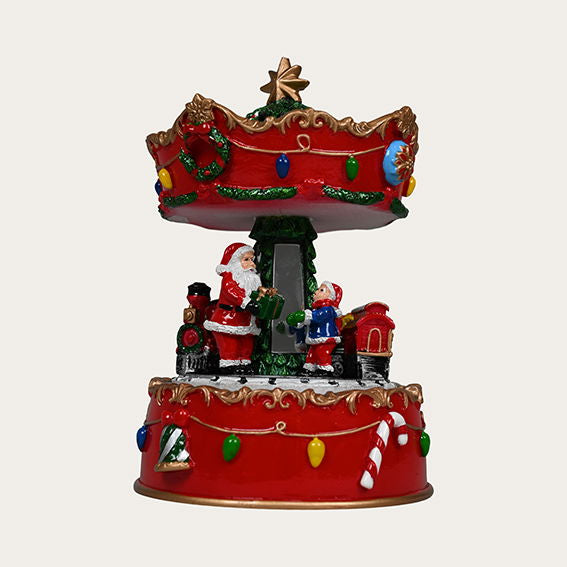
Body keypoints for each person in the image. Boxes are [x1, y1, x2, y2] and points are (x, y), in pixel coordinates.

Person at [203, 243, 263, 374]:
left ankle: (244, 363)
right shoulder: (230, 278)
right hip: (228, 319)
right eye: (246, 259)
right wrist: (247, 303)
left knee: (246, 344)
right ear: (234, 263)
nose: (251, 264)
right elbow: (232, 292)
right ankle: (229, 365)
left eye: (252, 259)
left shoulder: (252, 280)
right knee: (230, 344)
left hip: (246, 320)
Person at [286, 281, 342, 376]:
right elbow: (310, 320)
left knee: (322, 353)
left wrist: (303, 315)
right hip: (316, 338)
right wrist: (299, 321)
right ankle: (309, 368)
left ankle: (325, 369)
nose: (316, 292)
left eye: (321, 290)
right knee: (311, 354)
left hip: (325, 338)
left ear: (330, 296)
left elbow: (316, 317)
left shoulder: (327, 309)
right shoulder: (317, 308)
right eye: (318, 289)